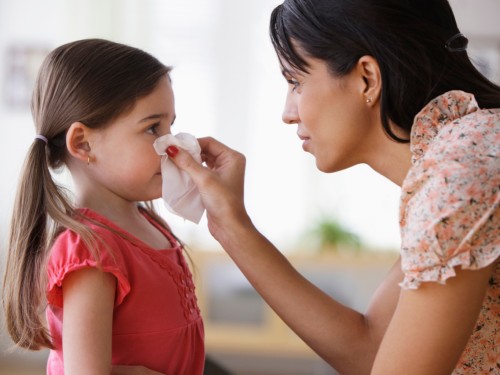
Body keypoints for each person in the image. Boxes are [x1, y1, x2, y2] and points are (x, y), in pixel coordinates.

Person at [165, 0, 499, 374]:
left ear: (366, 79)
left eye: (295, 82)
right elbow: (371, 349)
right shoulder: (468, 149)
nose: (287, 112)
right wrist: (230, 225)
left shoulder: (457, 175)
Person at [2, 39, 205, 374]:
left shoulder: (148, 223)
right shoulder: (90, 251)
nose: (172, 145)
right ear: (83, 143)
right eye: (152, 127)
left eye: (171, 125)